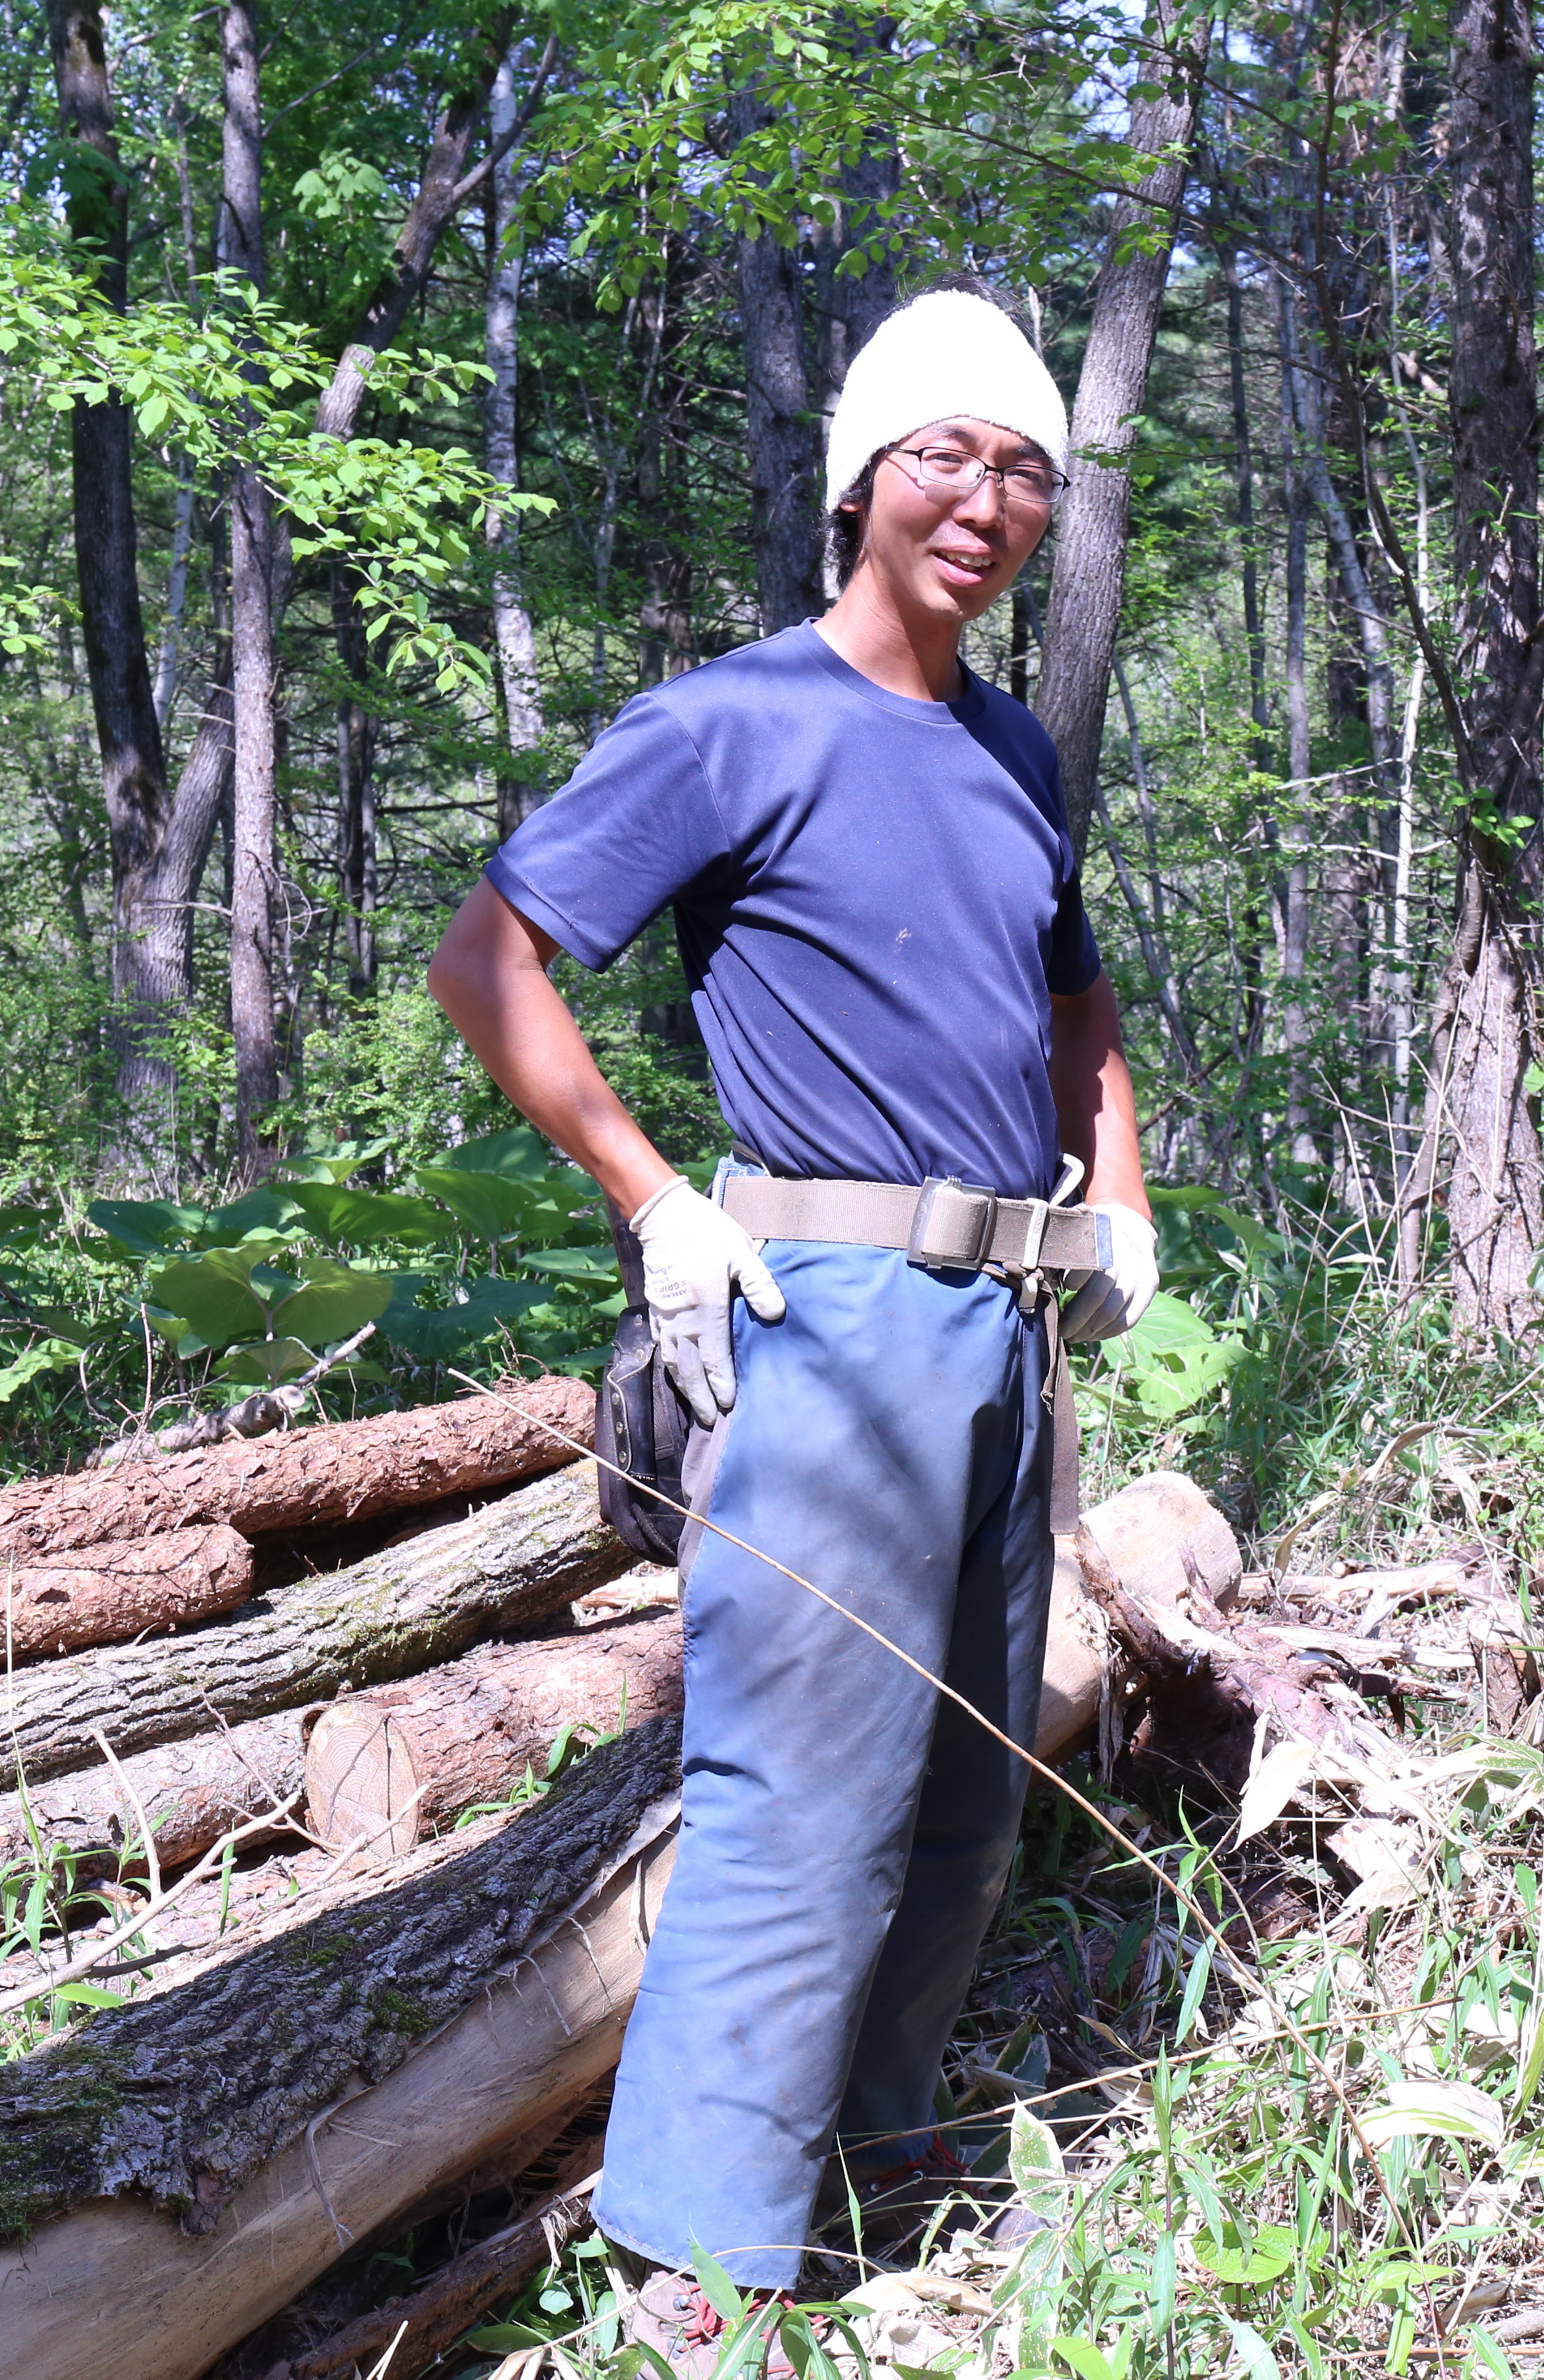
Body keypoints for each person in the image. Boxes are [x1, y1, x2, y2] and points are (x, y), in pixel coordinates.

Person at [427, 289, 1155, 2362]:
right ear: (859, 476)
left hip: (1010, 1323)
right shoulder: (728, 723)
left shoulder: (1010, 748)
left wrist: (1119, 1202)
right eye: (946, 452)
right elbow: (492, 961)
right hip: (825, 1308)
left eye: (1023, 467)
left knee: (969, 1785)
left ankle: (880, 2170)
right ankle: (703, 2267)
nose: (987, 500)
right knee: (800, 1786)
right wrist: (656, 1207)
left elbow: (1072, 1001)